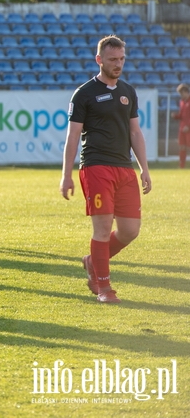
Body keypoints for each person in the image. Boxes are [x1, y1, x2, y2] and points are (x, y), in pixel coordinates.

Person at [60, 35, 152, 304]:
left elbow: (135, 132)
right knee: (101, 228)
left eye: (122, 59)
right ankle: (104, 288)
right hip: (96, 166)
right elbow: (73, 137)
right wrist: (66, 175)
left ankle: (92, 261)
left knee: (130, 231)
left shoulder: (128, 92)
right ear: (99, 60)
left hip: (124, 169)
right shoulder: (84, 94)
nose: (118, 64)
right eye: (113, 59)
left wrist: (144, 168)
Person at [173, 83, 190, 168]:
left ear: (186, 92)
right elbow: (182, 115)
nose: (181, 95)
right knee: (182, 147)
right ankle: (182, 166)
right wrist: (176, 116)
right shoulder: (182, 102)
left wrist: (188, 125)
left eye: (182, 93)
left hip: (188, 128)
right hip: (182, 128)